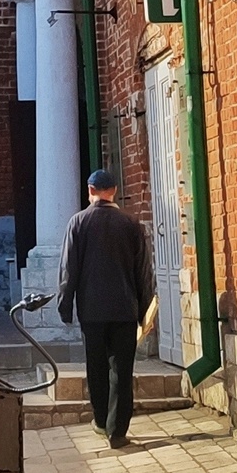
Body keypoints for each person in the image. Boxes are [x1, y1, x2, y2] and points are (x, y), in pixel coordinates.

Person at [56, 168, 157, 449]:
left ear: (90, 190)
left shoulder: (78, 222)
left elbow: (68, 270)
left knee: (96, 366)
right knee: (122, 370)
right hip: (125, 308)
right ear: (114, 190)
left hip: (92, 310)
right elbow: (143, 272)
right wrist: (144, 309)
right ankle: (118, 430)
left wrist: (65, 306)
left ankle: (101, 420)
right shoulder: (132, 223)